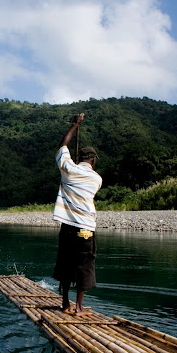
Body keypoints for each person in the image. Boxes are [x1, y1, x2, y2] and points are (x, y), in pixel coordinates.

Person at [52, 113, 102, 316]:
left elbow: (63, 146)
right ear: (93, 161)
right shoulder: (97, 179)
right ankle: (79, 307)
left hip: (67, 228)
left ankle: (65, 303)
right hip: (85, 229)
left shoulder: (68, 169)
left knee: (65, 263)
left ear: (80, 159)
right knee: (84, 265)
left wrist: (75, 125)